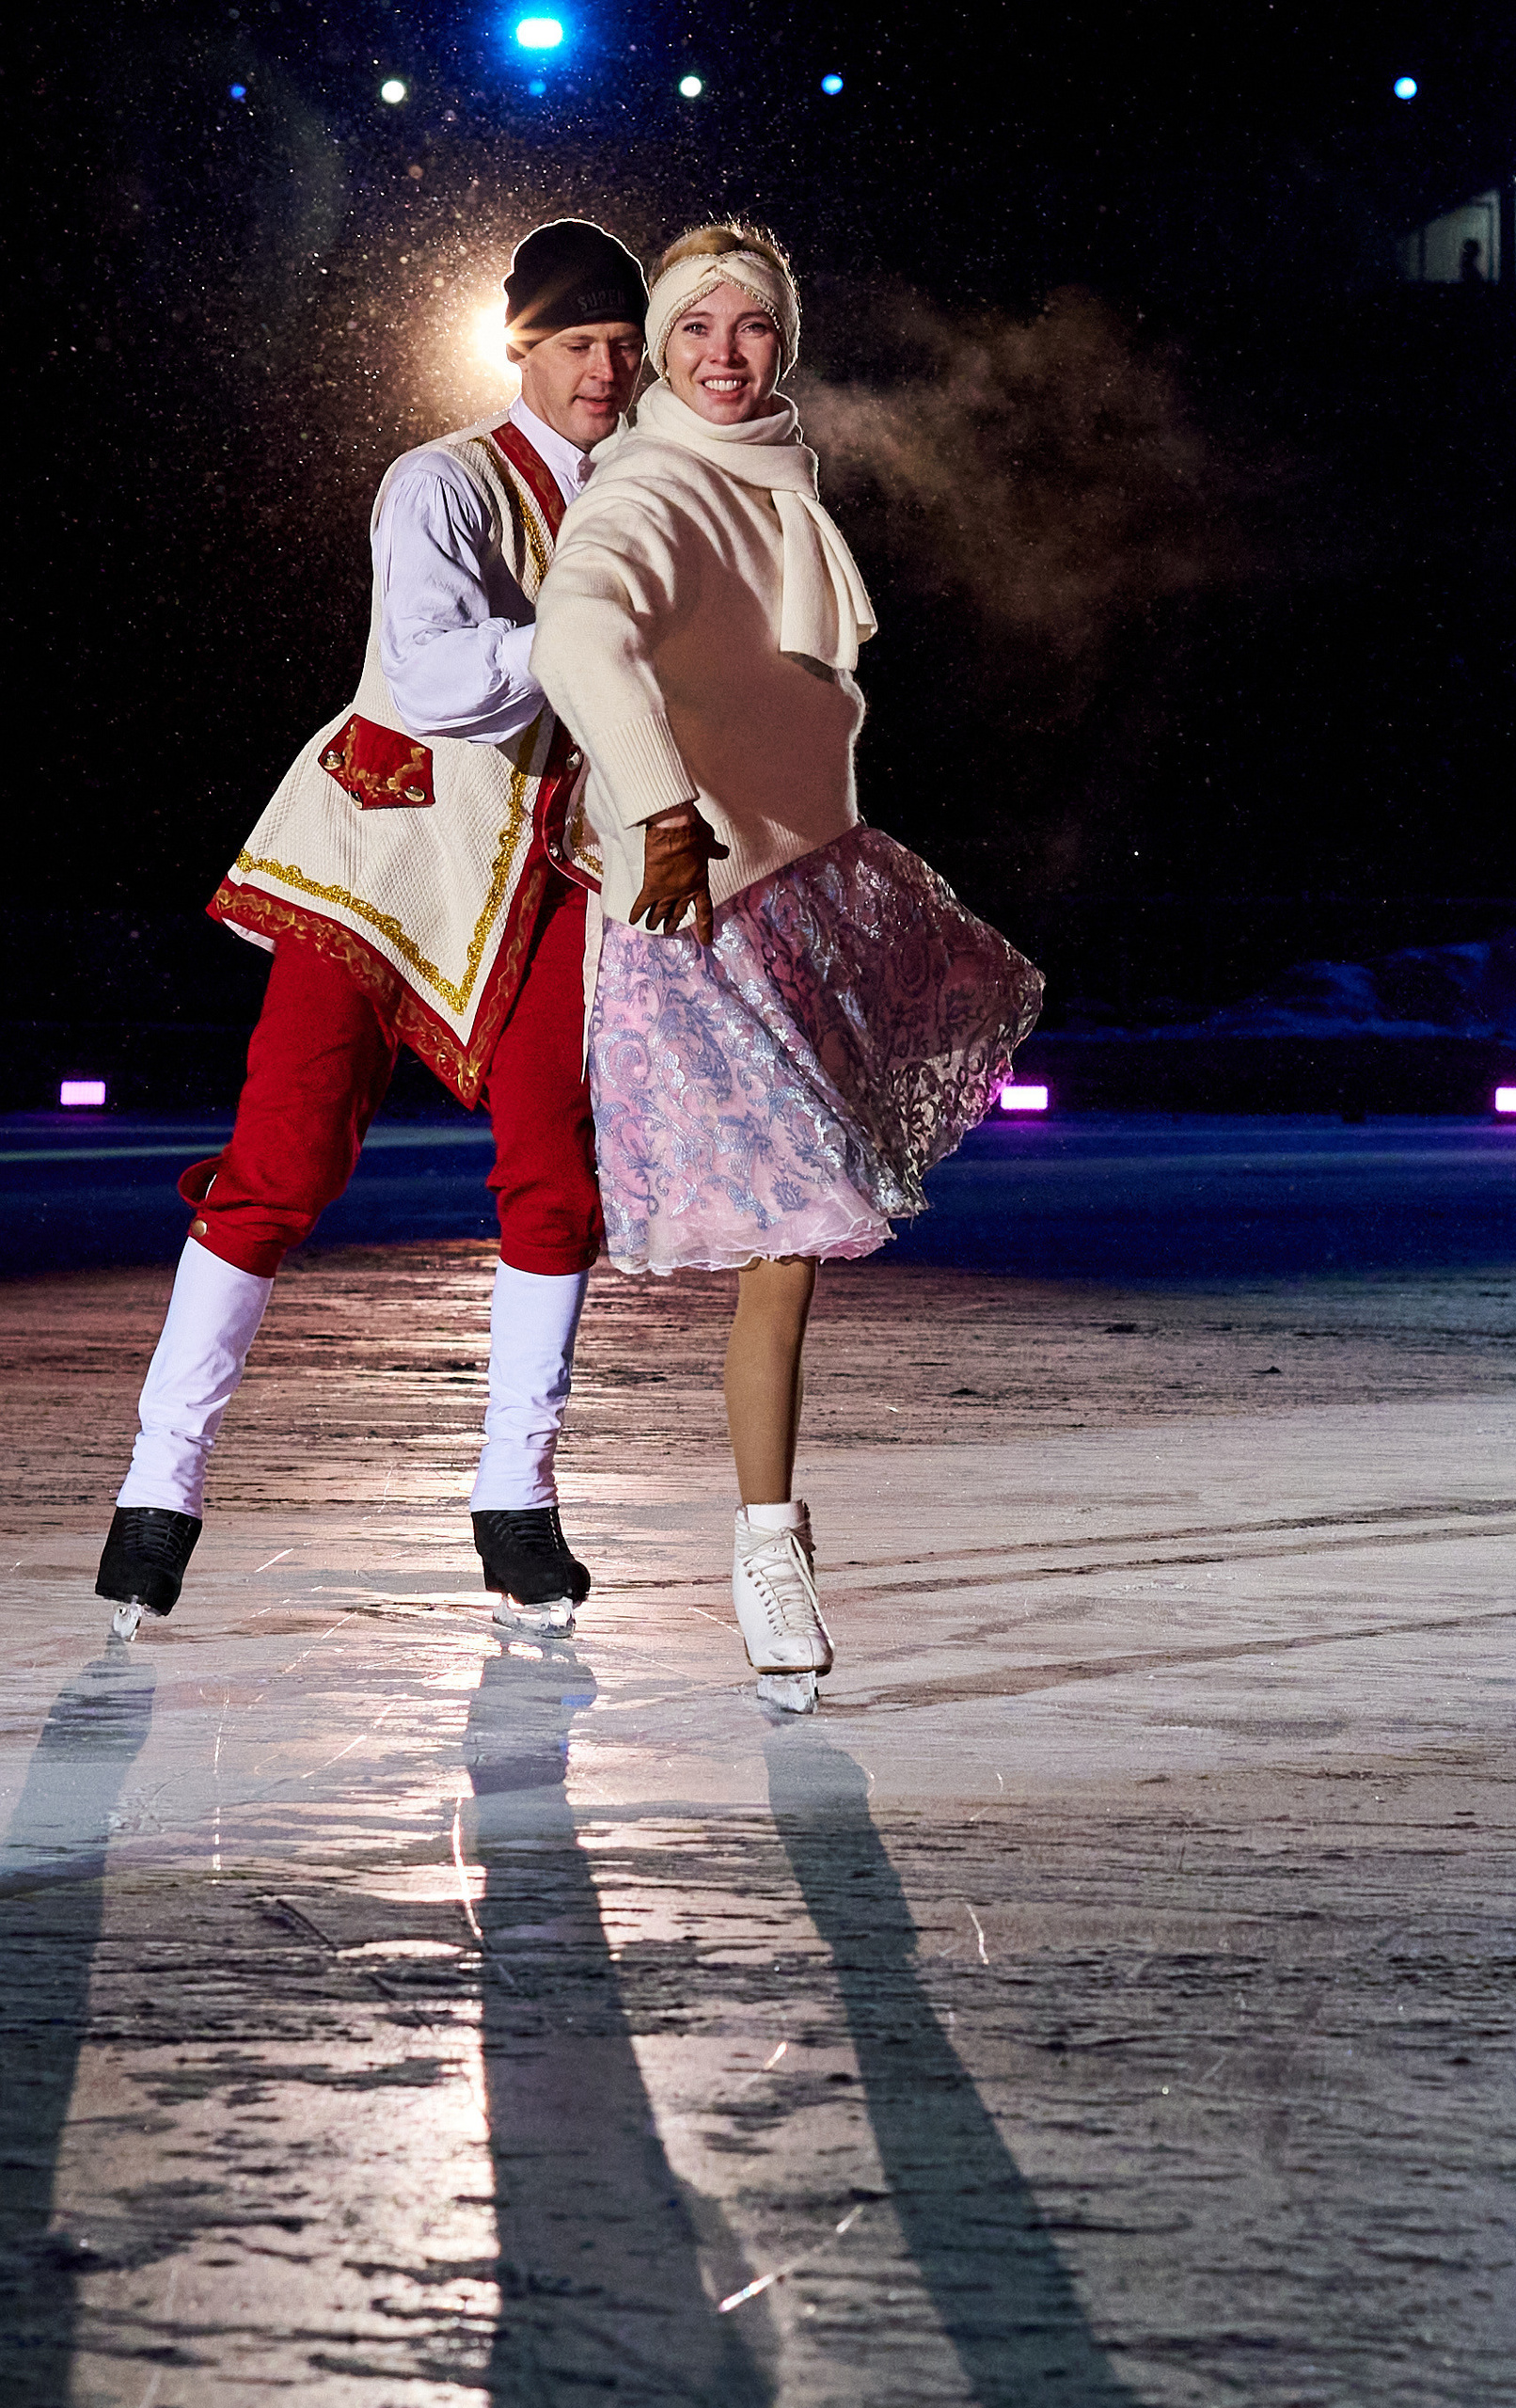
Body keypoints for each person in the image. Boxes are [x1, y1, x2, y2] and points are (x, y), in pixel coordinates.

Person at [95, 221, 650, 1641]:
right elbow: (443, 669)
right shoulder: (443, 481)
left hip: (545, 880)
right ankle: (159, 1487)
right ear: (518, 345)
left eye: (620, 342)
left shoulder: (658, 501)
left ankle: (514, 1501)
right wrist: (590, 643)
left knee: (557, 1176)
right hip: (387, 861)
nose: (607, 367)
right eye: (577, 341)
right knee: (280, 1162)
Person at [531, 224, 1043, 1710]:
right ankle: (768, 1547)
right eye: (696, 329)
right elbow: (578, 633)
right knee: (803, 1205)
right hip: (694, 915)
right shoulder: (651, 487)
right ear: (664, 345)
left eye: (753, 328)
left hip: (808, 886)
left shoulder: (782, 474)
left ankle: (751, 1531)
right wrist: (661, 808)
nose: (723, 356)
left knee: (797, 1242)